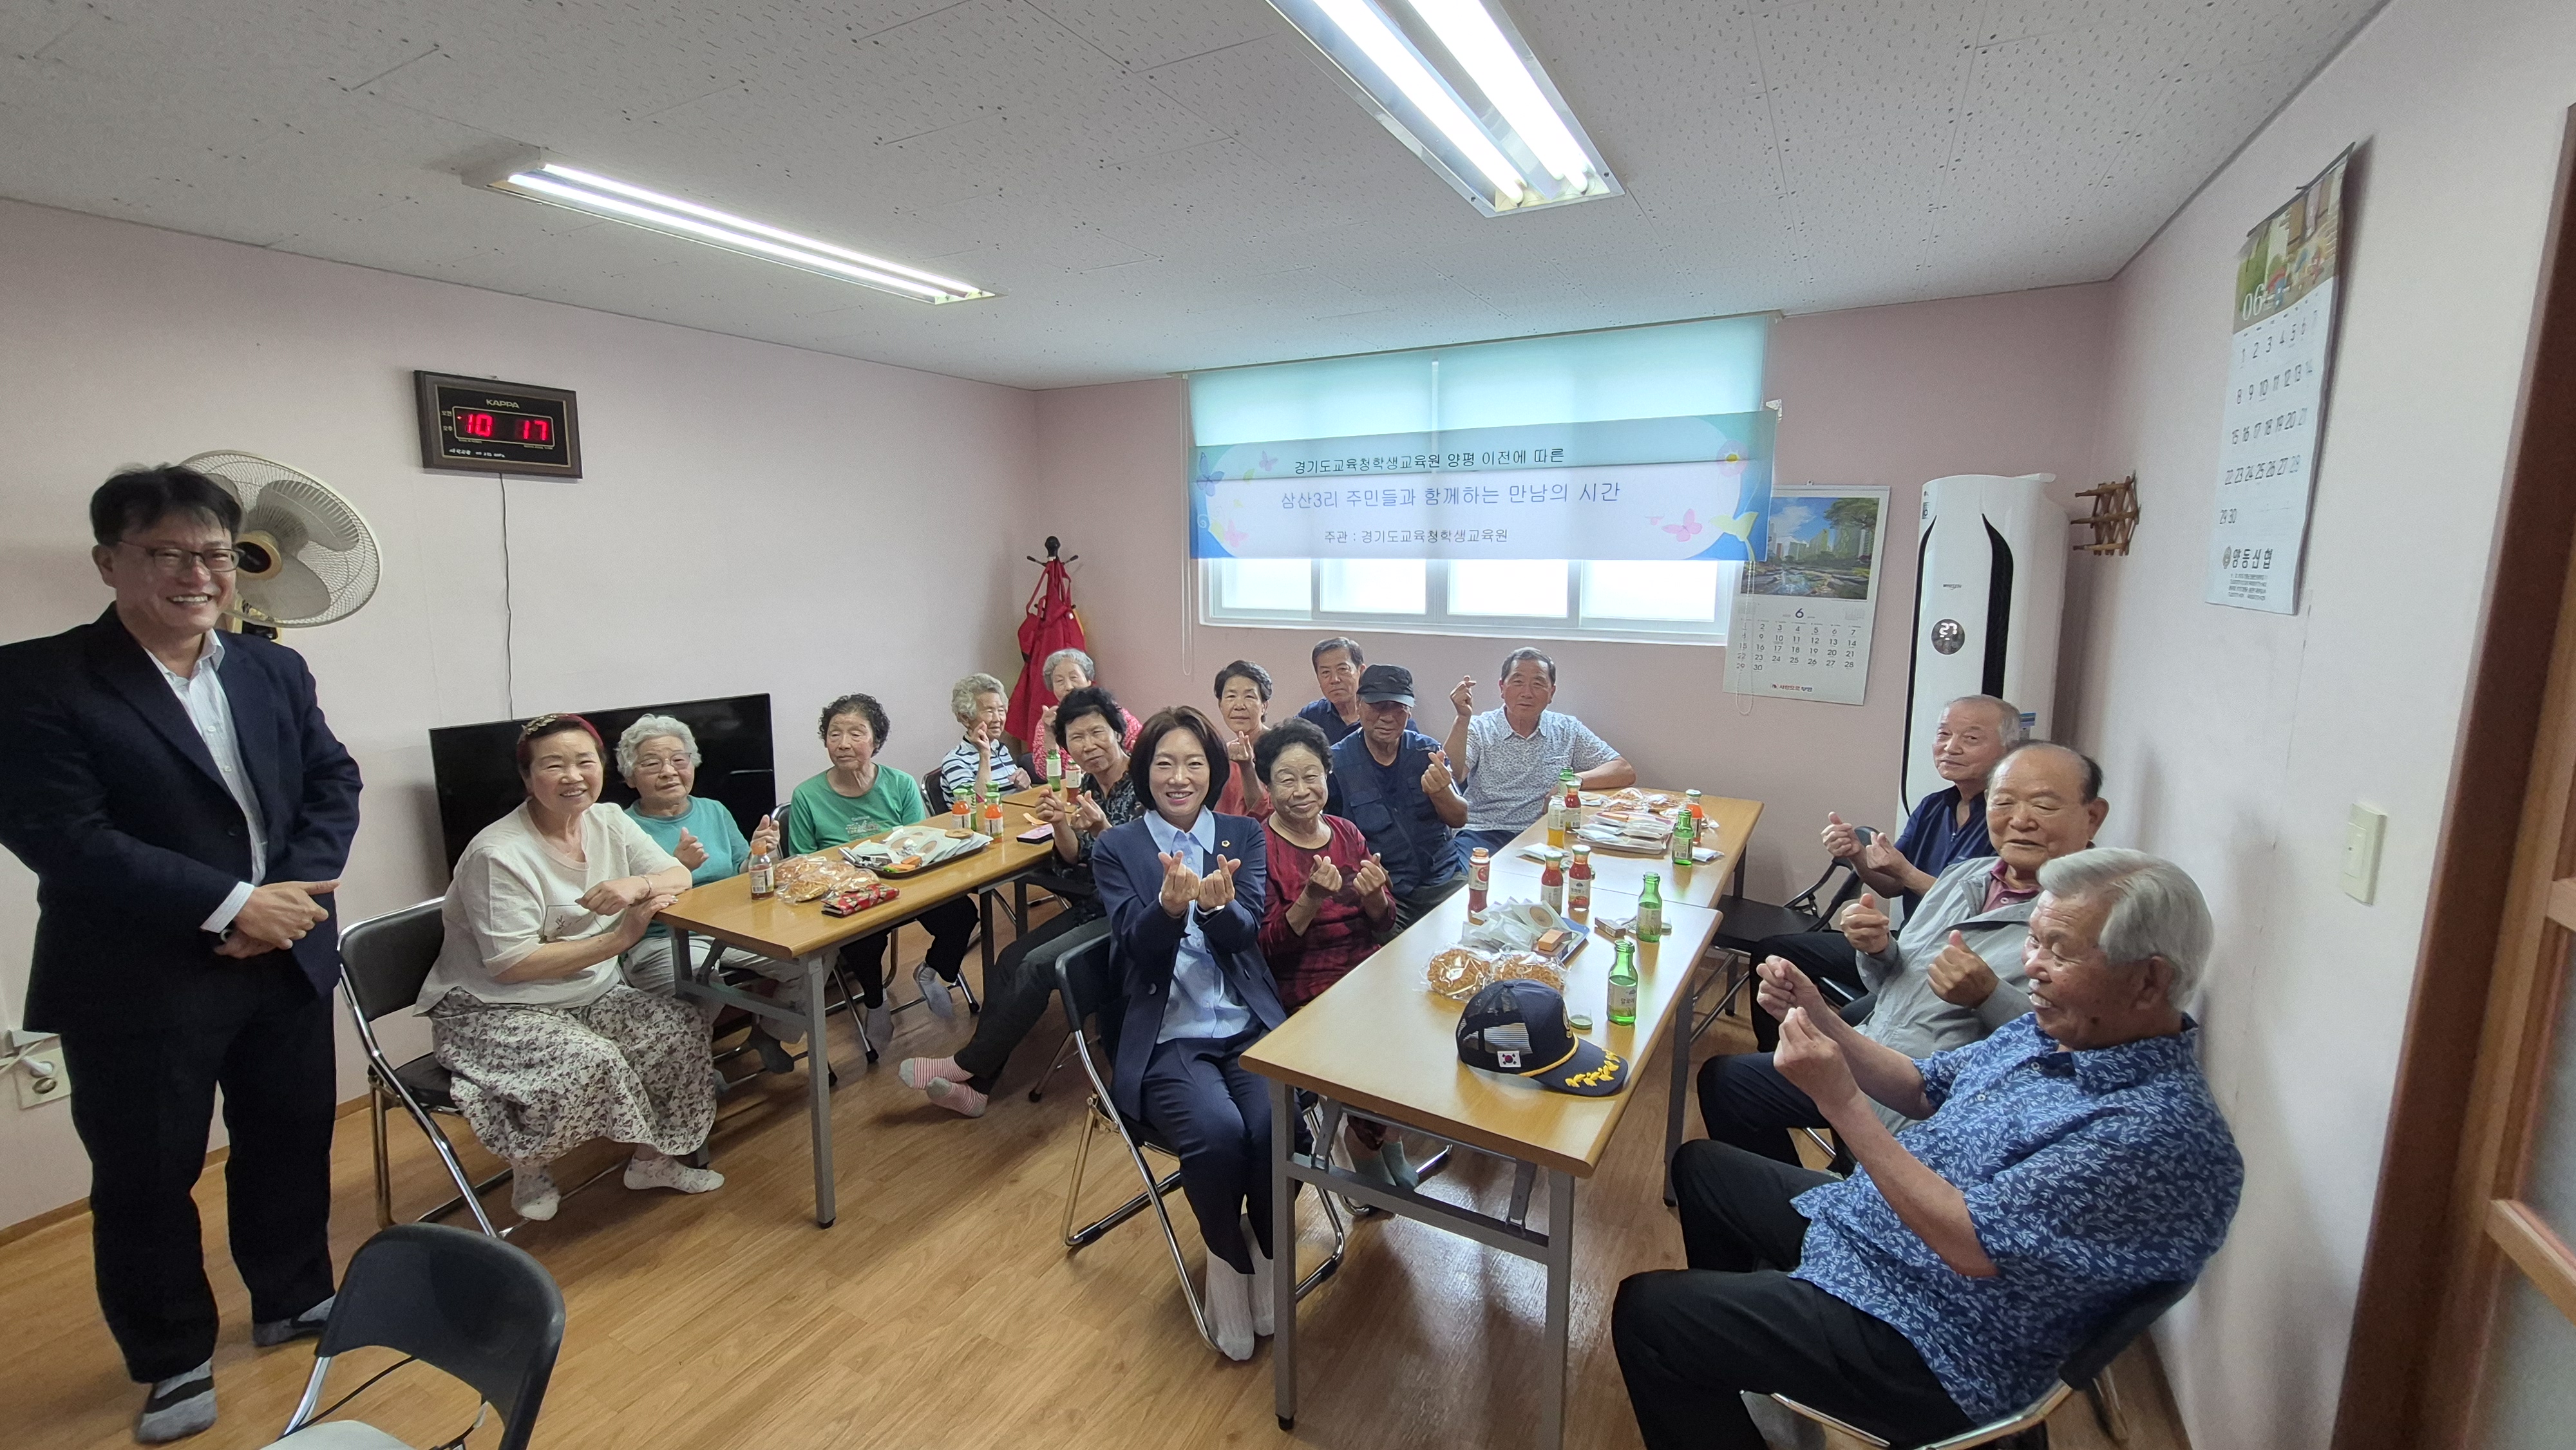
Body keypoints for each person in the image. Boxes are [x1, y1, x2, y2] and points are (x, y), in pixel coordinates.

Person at [1615, 849, 2242, 1450]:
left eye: (2059, 949)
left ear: (2148, 979)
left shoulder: (2154, 1134)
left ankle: (1732, 1356)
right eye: (2035, 939)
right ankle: (1745, 1371)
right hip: (1882, 1236)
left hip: (1933, 1341)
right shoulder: (2059, 1032)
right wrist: (1823, 1017)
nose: (2034, 965)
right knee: (1703, 1168)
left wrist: (1841, 1103)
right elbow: (1921, 1086)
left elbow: (1967, 1243)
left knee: (1650, 1316)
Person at [0, 466, 364, 1442]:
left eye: (215, 553)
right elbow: (63, 835)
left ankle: (291, 1298)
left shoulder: (270, 666)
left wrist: (288, 901)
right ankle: (171, 1359)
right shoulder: (36, 677)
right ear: (109, 562)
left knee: (291, 1140)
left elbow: (332, 780)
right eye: (167, 552)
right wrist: (233, 903)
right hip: (137, 979)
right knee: (147, 1177)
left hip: (284, 956)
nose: (198, 573)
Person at [1696, 742, 2109, 1163]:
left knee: (1705, 1166)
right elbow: (1890, 981)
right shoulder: (1965, 874)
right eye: (2003, 801)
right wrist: (1877, 950)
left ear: (2092, 817)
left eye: (2043, 805)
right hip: (1870, 1049)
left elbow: (2080, 1049)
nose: (2021, 819)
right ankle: (1796, 1202)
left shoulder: (2095, 916)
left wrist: (1988, 996)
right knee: (1728, 1082)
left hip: (1938, 1100)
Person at [417, 713, 723, 1227]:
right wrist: (620, 938)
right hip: (492, 1006)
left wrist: (636, 886)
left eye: (584, 762)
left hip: (586, 991)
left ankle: (651, 1162)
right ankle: (529, 1163)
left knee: (677, 1028)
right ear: (527, 778)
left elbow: (675, 872)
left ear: (601, 767)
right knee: (589, 1061)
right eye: (553, 765)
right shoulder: (499, 853)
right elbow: (513, 965)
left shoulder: (608, 820)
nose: (573, 776)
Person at [1094, 707, 1290, 1362]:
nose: (1178, 777)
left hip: (1246, 1027)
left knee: (1272, 1128)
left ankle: (1265, 1249)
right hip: (1170, 1034)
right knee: (1216, 1133)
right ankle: (1229, 1269)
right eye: (1164, 763)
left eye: (1194, 763)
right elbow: (1136, 952)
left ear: (1214, 769)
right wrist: (1169, 908)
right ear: (1144, 771)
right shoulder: (1118, 847)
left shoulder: (1241, 834)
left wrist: (1216, 905)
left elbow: (1250, 933)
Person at [897, 685, 1142, 1118]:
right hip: (1095, 905)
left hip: (1131, 916)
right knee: (1010, 958)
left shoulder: (1143, 785)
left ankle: (967, 1065)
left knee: (1034, 967)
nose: (1089, 746)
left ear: (1119, 732)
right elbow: (1076, 857)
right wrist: (1060, 824)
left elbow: (1142, 867)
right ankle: (979, 1090)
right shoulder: (1086, 785)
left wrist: (1103, 828)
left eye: (1097, 733)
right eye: (1077, 739)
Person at [1754, 695, 2019, 1034]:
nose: (1951, 748)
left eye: (1970, 738)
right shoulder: (1935, 806)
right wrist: (1856, 855)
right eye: (1943, 735)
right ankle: (1775, 1058)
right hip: (1900, 945)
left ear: (2010, 751)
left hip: (1953, 964)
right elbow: (1891, 886)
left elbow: (1980, 911)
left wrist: (1907, 872)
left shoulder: (2007, 824)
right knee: (1774, 952)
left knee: (1850, 1027)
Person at [1254, 718, 1407, 1184]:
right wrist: (1310, 899)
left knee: (1416, 1028)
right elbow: (1265, 947)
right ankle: (1368, 1141)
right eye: (1287, 779)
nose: (1302, 790)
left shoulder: (1346, 832)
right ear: (1266, 784)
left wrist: (1376, 895)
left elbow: (1384, 924)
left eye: (1312, 776)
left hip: (1366, 973)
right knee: (1361, 1043)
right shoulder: (1258, 843)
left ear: (1328, 776)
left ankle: (1386, 1133)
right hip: (1305, 985)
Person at [613, 715, 811, 1074]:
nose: (669, 771)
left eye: (679, 759)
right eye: (652, 763)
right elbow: (615, 906)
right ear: (629, 776)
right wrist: (676, 870)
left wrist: (759, 855)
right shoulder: (620, 828)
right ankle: (693, 1074)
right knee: (703, 986)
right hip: (662, 940)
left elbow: (741, 871)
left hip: (731, 927)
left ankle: (769, 1033)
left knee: (809, 960)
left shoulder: (713, 810)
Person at [784, 693, 983, 1042]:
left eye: (856, 733)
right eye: (834, 735)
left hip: (907, 888)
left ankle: (932, 972)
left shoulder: (900, 784)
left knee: (963, 914)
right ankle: (875, 1004)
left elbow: (922, 845)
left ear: (875, 740)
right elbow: (805, 864)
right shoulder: (807, 796)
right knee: (861, 940)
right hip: (851, 897)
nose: (844, 744)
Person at [1440, 646, 1635, 872]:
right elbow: (1453, 774)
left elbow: (1624, 770)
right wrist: (1463, 718)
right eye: (1518, 682)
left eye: (1538, 684)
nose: (1527, 692)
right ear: (1502, 688)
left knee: (1585, 875)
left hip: (1547, 834)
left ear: (1551, 692)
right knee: (1465, 881)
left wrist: (1571, 783)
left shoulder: (1566, 728)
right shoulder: (1479, 727)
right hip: (1484, 832)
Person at [1325, 664, 1467, 927]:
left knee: (1476, 936)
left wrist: (1442, 793)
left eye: (1398, 708)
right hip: (1385, 893)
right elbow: (1330, 839)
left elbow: (1459, 818)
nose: (1388, 717)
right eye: (1378, 706)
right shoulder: (1336, 764)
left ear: (1409, 710)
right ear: (1359, 704)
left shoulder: (1428, 752)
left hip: (1444, 880)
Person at [935, 672, 1034, 804]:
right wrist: (985, 754)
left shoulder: (1000, 749)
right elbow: (976, 805)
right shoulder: (955, 761)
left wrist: (1026, 786)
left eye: (1000, 710)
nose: (998, 719)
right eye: (989, 711)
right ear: (965, 718)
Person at [1037, 646, 1143, 749]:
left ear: (1089, 680)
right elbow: (1042, 767)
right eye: (1059, 681)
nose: (1068, 687)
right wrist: (1050, 734)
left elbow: (1143, 749)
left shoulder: (1113, 713)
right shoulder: (1048, 722)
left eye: (1074, 677)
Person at [1211, 659, 1274, 818]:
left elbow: (1263, 812)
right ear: (1220, 705)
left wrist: (1246, 767)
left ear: (1264, 706)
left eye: (1249, 697)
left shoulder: (1281, 749)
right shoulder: (1222, 754)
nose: (1239, 705)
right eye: (1231, 696)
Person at [1293, 636, 1366, 746]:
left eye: (1343, 669)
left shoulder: (1377, 714)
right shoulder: (1312, 715)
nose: (1334, 680)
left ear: (1361, 671)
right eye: (1326, 672)